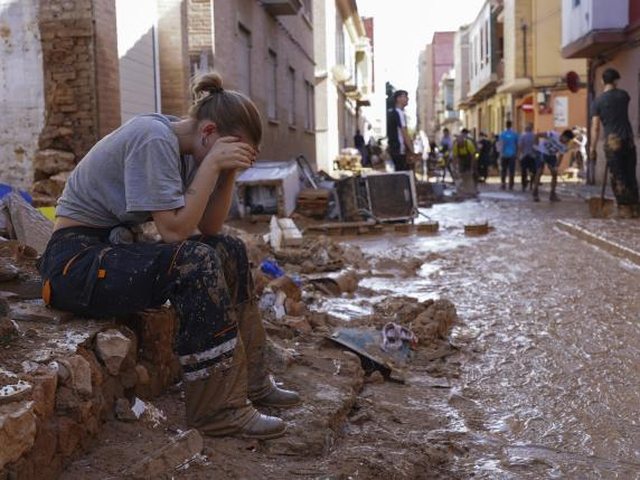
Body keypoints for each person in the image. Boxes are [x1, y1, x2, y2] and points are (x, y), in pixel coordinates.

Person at [36, 72, 300, 440]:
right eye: (231, 148)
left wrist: (226, 173)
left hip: (113, 249)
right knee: (194, 261)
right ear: (208, 133)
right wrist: (211, 166)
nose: (229, 158)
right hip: (74, 262)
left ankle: (253, 381)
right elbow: (174, 232)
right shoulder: (154, 138)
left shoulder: (192, 149)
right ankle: (217, 410)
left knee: (228, 250)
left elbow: (209, 228)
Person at [590, 68, 639, 217]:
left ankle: (625, 209)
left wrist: (592, 148)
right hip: (628, 140)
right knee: (630, 174)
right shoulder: (624, 96)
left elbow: (595, 127)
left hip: (612, 141)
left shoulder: (598, 102)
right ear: (616, 81)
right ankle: (635, 207)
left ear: (602, 81)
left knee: (618, 176)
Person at [531, 129, 575, 202]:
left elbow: (561, 156)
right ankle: (535, 192)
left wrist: (556, 166)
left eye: (568, 141)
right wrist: (536, 146)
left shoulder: (564, 146)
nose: (567, 142)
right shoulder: (553, 134)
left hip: (551, 156)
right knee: (539, 171)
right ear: (563, 136)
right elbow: (538, 135)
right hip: (542, 152)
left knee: (554, 174)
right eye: (567, 139)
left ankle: (552, 194)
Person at [386, 89, 414, 171]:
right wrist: (411, 150)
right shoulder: (399, 113)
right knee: (403, 174)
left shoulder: (392, 113)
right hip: (399, 149)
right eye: (405, 97)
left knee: (398, 173)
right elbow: (404, 132)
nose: (407, 99)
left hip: (393, 148)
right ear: (398, 99)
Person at [452, 128, 478, 197]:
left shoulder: (469, 144)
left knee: (472, 174)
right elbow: (455, 158)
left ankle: (474, 189)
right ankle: (464, 189)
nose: (461, 146)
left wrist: (472, 167)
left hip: (470, 158)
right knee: (462, 173)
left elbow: (473, 156)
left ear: (463, 142)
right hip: (462, 160)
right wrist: (454, 168)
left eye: (462, 144)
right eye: (459, 145)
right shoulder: (456, 146)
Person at [498, 120, 519, 190]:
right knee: (511, 170)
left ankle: (503, 184)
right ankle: (511, 184)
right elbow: (517, 144)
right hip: (512, 154)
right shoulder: (515, 134)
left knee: (503, 170)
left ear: (506, 125)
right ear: (511, 125)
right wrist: (517, 153)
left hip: (504, 155)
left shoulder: (502, 134)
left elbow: (500, 144)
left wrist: (500, 153)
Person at [518, 123, 537, 191]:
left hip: (524, 156)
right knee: (533, 171)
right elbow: (536, 145)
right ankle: (531, 184)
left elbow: (520, 146)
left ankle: (524, 185)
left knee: (524, 171)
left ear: (525, 129)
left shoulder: (522, 136)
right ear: (531, 129)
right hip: (532, 156)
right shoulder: (534, 136)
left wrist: (520, 154)